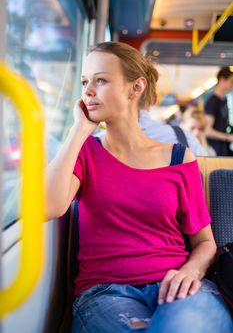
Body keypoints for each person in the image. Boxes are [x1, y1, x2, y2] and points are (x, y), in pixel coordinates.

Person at [46, 41, 233, 333]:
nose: (88, 92)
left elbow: (205, 242)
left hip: (178, 284)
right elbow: (47, 206)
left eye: (101, 80)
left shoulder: (178, 158)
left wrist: (191, 271)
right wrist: (78, 130)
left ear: (136, 88)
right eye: (85, 82)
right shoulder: (85, 152)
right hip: (106, 294)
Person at [139, 107, 208, 156]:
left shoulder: (210, 151)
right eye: (192, 128)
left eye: (201, 129)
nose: (196, 133)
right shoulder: (175, 139)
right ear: (182, 125)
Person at [205, 67, 233, 156]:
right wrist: (228, 137)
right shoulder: (212, 102)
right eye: (231, 82)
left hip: (224, 148)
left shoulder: (224, 100)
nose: (232, 85)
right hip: (215, 149)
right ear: (222, 80)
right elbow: (207, 131)